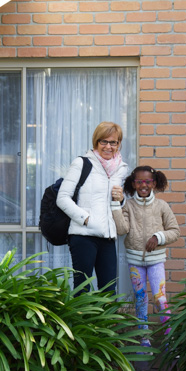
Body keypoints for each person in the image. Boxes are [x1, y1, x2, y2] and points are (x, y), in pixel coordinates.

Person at [56, 121, 130, 294]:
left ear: (119, 144)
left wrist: (121, 200)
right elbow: (62, 198)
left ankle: (106, 322)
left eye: (113, 142)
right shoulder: (82, 164)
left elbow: (112, 202)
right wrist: (86, 218)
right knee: (82, 288)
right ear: (96, 142)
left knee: (109, 290)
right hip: (83, 236)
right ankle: (83, 322)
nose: (108, 146)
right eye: (103, 141)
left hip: (108, 236)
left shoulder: (120, 168)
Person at [111, 166, 180, 349]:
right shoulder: (128, 206)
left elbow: (175, 231)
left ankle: (169, 338)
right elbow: (121, 230)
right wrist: (115, 205)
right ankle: (144, 339)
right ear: (133, 184)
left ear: (154, 183)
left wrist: (158, 237)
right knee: (140, 298)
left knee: (160, 299)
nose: (143, 185)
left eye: (147, 181)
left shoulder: (161, 206)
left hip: (156, 260)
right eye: (139, 181)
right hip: (135, 262)